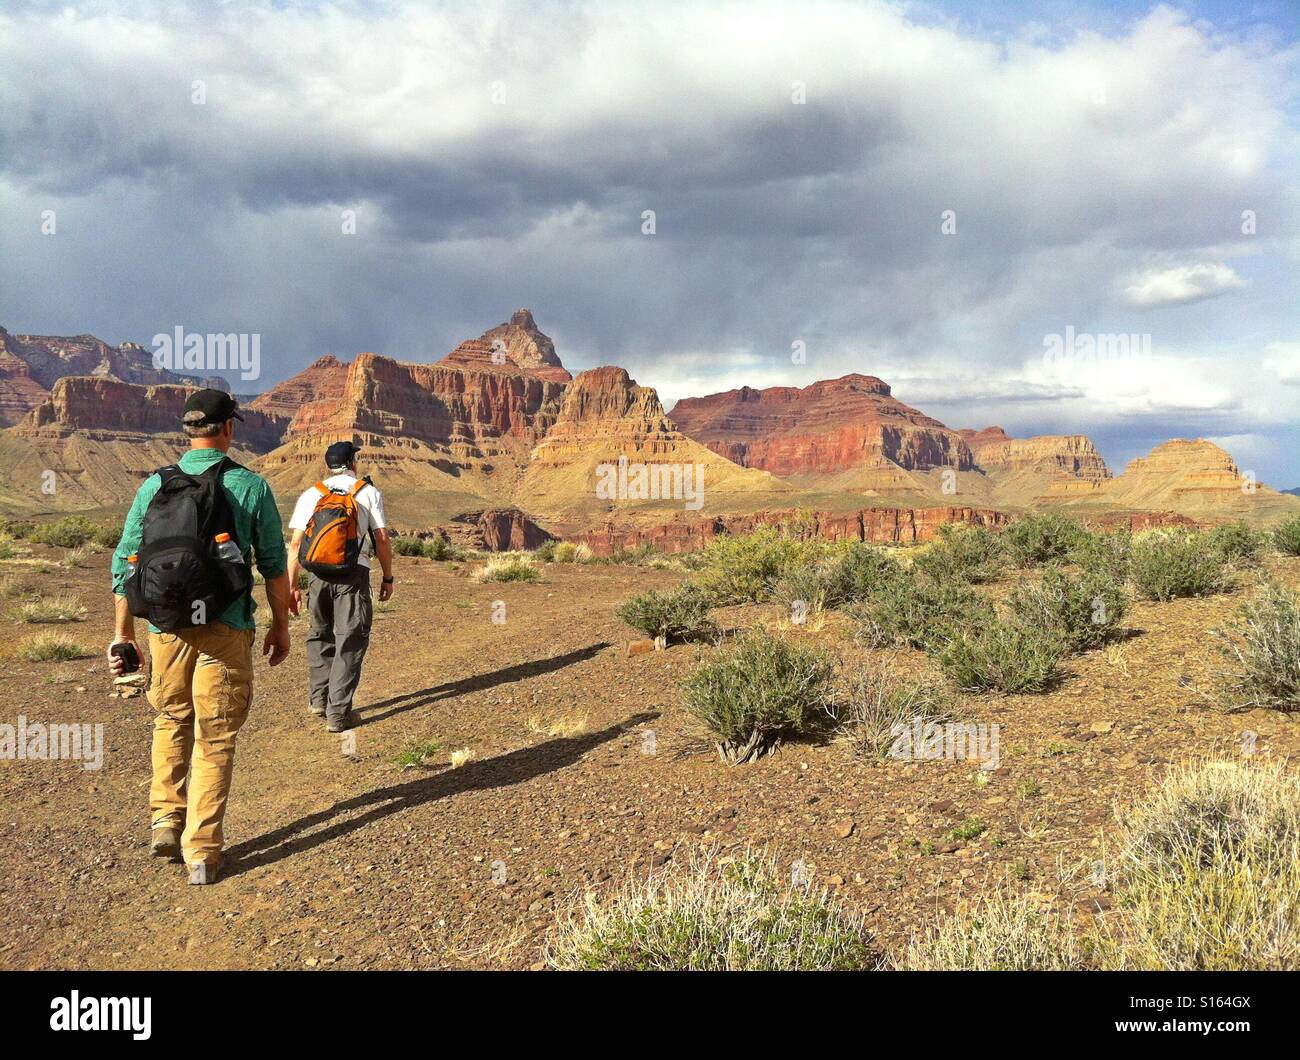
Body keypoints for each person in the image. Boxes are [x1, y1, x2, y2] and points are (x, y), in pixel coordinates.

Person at [108, 389, 290, 885]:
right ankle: (203, 854)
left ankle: (165, 820)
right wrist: (281, 625)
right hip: (226, 626)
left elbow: (126, 563)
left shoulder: (155, 486)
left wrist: (123, 634)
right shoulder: (251, 487)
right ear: (228, 427)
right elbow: (274, 565)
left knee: (170, 719)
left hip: (165, 628)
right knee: (215, 736)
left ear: (188, 429)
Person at [287, 440, 394, 733]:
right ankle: (338, 715)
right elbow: (381, 538)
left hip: (318, 574)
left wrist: (292, 585)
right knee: (350, 640)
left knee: (320, 635)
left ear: (328, 465)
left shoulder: (312, 493)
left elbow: (296, 543)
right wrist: (387, 577)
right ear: (352, 463)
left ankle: (318, 701)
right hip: (352, 574)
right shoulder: (367, 492)